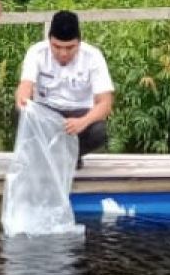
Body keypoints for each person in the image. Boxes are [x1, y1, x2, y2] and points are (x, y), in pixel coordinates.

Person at [14, 10, 114, 169]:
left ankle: (67, 154)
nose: (63, 53)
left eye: (70, 48)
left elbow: (105, 103)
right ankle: (61, 156)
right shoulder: (36, 52)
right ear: (49, 40)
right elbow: (25, 86)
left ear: (79, 42)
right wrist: (23, 100)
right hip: (47, 114)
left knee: (99, 131)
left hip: (78, 115)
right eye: (57, 46)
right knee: (21, 114)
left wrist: (83, 122)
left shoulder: (93, 56)